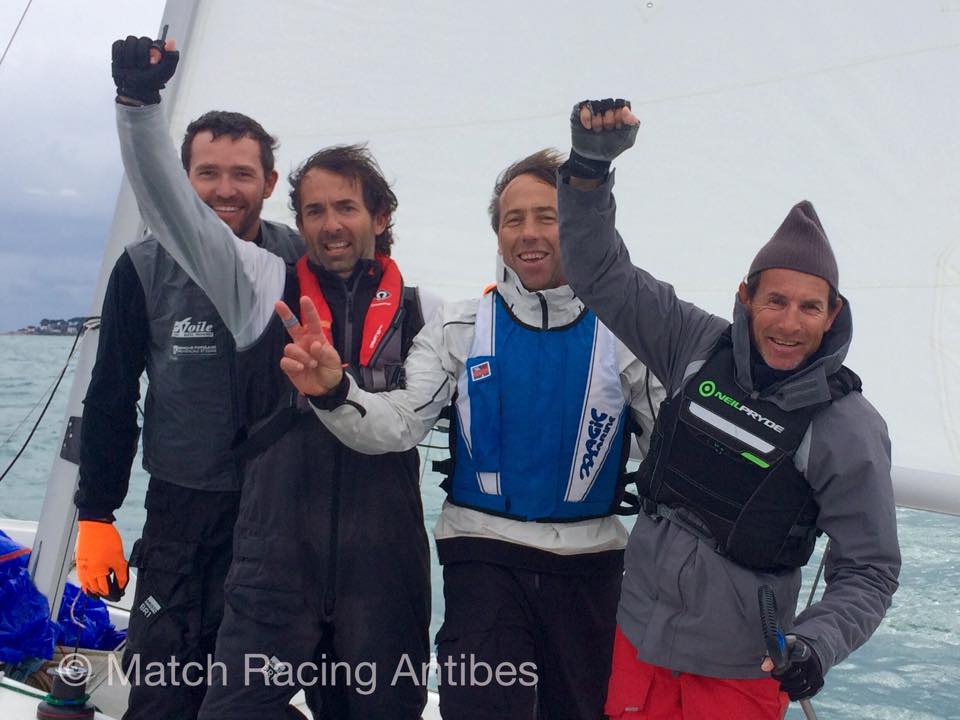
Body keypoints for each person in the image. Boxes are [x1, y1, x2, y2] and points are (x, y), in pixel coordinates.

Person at [106, 34, 433, 720]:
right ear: (298, 219)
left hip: (382, 574)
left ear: (381, 216)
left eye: (347, 208)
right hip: (267, 564)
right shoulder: (262, 283)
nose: (331, 224)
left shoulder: (429, 312)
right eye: (315, 211)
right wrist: (139, 107)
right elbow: (174, 213)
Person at [278, 148, 663, 720]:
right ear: (498, 233)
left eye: (547, 216)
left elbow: (675, 454)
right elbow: (400, 425)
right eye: (514, 220)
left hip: (591, 568)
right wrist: (336, 392)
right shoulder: (460, 325)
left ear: (577, 226)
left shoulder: (626, 330)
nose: (529, 234)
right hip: (482, 559)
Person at [556, 99, 901, 719]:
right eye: (775, 300)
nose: (790, 323)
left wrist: (815, 645)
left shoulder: (848, 428)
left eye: (810, 307)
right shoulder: (693, 344)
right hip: (640, 642)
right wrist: (588, 172)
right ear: (746, 297)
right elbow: (600, 272)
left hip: (743, 670)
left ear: (833, 315)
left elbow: (870, 570)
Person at [74, 65, 304, 720]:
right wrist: (97, 513)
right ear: (181, 180)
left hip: (277, 517)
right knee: (164, 693)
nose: (225, 189)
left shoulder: (300, 262)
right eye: (207, 173)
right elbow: (113, 394)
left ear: (269, 182)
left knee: (250, 697)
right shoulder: (142, 269)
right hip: (180, 514)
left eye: (241, 174)